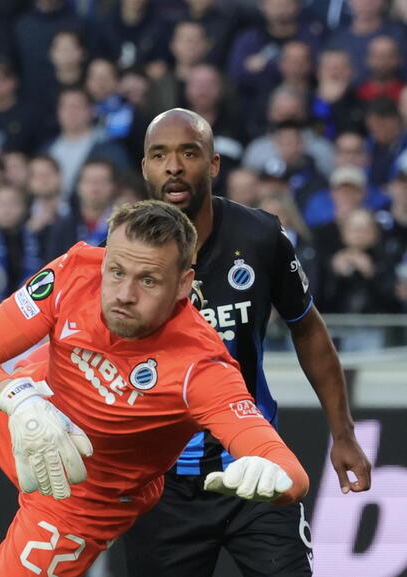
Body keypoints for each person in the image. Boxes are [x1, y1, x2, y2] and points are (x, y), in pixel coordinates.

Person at [0, 199, 311, 577]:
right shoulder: (74, 270)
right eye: (116, 271)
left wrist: (274, 481)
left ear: (184, 283)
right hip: (36, 406)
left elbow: (289, 471)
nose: (123, 294)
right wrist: (16, 401)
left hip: (83, 494)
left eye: (148, 280)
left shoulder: (200, 367)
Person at [118, 108, 371, 576]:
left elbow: (308, 327)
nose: (174, 166)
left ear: (213, 165)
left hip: (256, 468)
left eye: (188, 153)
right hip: (160, 485)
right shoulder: (120, 253)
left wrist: (343, 434)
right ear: (145, 169)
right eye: (159, 155)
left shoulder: (259, 236)